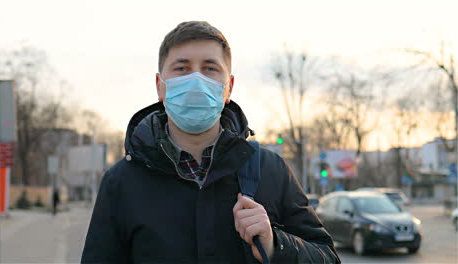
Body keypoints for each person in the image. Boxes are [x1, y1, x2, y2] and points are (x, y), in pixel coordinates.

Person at [81, 21, 340, 264]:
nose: (196, 81)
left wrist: (275, 245)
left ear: (229, 87)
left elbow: (327, 257)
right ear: (160, 86)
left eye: (210, 68)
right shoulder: (122, 182)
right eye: (182, 68)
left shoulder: (271, 170)